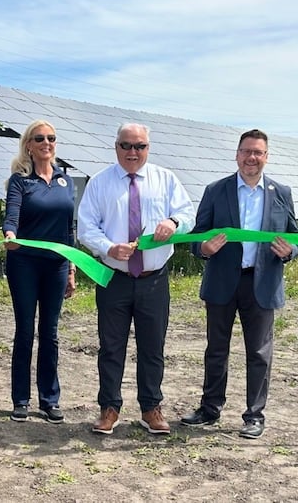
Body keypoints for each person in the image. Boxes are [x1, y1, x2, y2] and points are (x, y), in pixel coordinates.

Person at [180, 129, 298, 439]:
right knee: (216, 350)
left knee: (259, 353)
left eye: (258, 152)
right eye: (247, 151)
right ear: (237, 154)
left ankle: (254, 415)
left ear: (266, 157)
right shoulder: (216, 190)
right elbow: (197, 237)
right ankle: (210, 408)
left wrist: (290, 252)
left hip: (261, 283)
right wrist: (203, 249)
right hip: (222, 281)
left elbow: (295, 237)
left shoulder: (281, 193)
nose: (252, 158)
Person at [77, 123, 195, 435]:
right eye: (126, 146)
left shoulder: (165, 179)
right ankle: (109, 409)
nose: (133, 152)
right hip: (113, 278)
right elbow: (86, 227)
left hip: (154, 279)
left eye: (139, 146)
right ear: (116, 147)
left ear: (148, 148)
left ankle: (151, 408)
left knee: (152, 346)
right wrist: (108, 247)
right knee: (111, 346)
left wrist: (173, 222)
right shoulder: (100, 183)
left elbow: (188, 215)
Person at [2, 120, 76, 424]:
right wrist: (9, 235)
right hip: (25, 264)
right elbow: (12, 217)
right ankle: (21, 399)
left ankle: (49, 399)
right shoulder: (20, 181)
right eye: (39, 138)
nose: (47, 142)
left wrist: (71, 267)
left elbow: (69, 228)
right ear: (28, 145)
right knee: (25, 331)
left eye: (52, 138)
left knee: (51, 333)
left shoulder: (65, 180)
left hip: (57, 264)